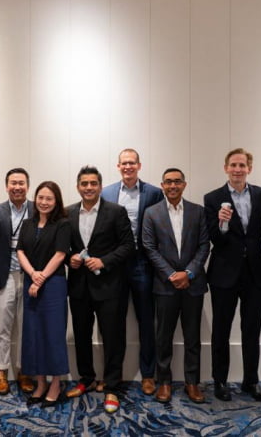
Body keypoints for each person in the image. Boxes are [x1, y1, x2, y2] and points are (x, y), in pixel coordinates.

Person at [203, 148, 261, 402]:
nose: (237, 169)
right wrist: (221, 225)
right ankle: (220, 380)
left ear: (249, 169)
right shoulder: (213, 198)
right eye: (233, 165)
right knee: (221, 329)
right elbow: (213, 237)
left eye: (242, 165)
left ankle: (251, 381)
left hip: (256, 272)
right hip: (224, 273)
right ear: (226, 168)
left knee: (251, 329)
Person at [66, 166, 135, 413]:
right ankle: (86, 379)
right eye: (84, 183)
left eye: (93, 183)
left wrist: (104, 261)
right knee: (81, 335)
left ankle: (112, 387)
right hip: (79, 287)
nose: (88, 188)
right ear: (78, 187)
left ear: (100, 186)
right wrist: (70, 259)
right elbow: (63, 248)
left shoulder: (116, 212)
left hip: (109, 286)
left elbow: (128, 246)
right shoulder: (67, 213)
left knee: (113, 337)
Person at [141, 168, 209, 404]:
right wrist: (171, 274)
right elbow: (149, 247)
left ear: (184, 185)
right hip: (165, 285)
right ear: (162, 185)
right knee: (163, 337)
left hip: (193, 284)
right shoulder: (151, 213)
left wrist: (188, 273)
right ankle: (164, 382)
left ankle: (192, 382)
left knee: (193, 337)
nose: (173, 186)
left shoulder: (198, 212)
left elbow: (204, 246)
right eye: (168, 182)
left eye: (177, 182)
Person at [101, 148, 163, 395]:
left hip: (142, 263)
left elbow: (159, 227)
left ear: (139, 165)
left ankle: (148, 374)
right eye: (124, 163)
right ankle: (113, 375)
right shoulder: (107, 193)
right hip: (115, 264)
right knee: (113, 322)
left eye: (132, 163)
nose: (128, 167)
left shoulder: (154, 193)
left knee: (146, 320)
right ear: (118, 166)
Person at [16, 181, 71, 407]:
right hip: (31, 281)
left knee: (53, 335)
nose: (44, 202)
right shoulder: (27, 223)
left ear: (56, 201)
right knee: (34, 334)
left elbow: (60, 254)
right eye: (40, 197)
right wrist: (32, 274)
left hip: (53, 284)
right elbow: (20, 250)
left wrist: (41, 278)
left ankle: (55, 384)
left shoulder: (63, 224)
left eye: (49, 198)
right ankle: (40, 383)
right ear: (35, 198)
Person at [0, 168, 36, 395]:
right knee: (2, 328)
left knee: (27, 327)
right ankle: (1, 373)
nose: (17, 187)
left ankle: (24, 371)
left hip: (31, 276)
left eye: (21, 183)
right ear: (6, 186)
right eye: (13, 183)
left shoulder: (38, 209)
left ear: (28, 186)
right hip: (4, 276)